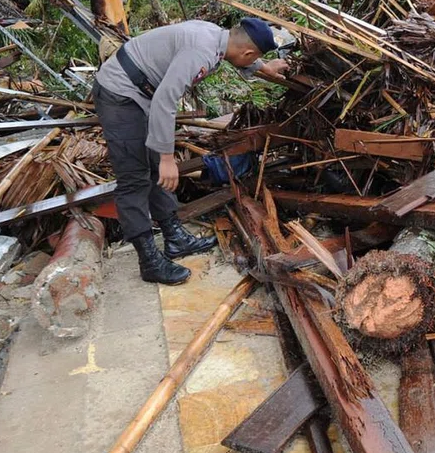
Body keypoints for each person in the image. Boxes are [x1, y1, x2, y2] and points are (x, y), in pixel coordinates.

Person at [93, 18, 289, 285]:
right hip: (120, 94)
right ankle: (149, 261)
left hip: (141, 94)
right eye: (253, 57)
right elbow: (165, 99)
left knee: (154, 170)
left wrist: (264, 67)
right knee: (135, 178)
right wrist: (167, 157)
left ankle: (174, 238)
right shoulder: (202, 52)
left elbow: (240, 56)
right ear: (248, 51)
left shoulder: (217, 37)